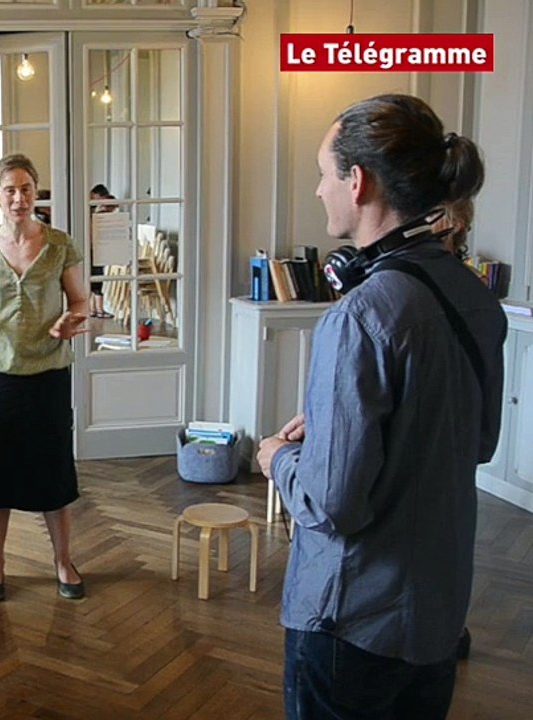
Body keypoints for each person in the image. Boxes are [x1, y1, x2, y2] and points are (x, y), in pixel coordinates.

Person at [256, 94, 505, 720]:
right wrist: (348, 422)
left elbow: (334, 503)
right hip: (437, 616)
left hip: (353, 619)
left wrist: (278, 458)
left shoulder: (360, 315)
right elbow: (477, 441)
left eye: (323, 172)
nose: (318, 190)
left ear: (358, 181)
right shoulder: (471, 296)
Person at [0, 153, 88, 602]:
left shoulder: (60, 243)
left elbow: (80, 301)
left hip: (47, 372)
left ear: (36, 192)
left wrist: (69, 321)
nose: (19, 198)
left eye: (26, 188)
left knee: (52, 471)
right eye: (10, 190)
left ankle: (63, 561)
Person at [88, 184, 118, 318]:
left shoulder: (93, 214)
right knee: (97, 281)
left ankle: (93, 309)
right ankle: (98, 310)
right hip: (96, 251)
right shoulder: (100, 218)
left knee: (94, 281)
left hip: (95, 250)